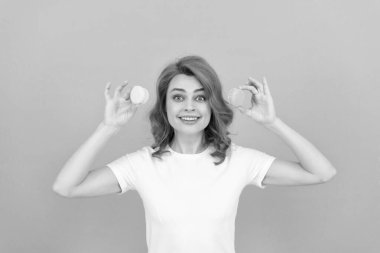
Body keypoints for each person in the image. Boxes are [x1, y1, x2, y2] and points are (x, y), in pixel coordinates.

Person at [52, 55, 337, 253]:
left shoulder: (238, 160)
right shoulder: (142, 164)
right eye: (178, 97)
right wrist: (107, 127)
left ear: (211, 105)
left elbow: (321, 173)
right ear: (164, 107)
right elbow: (66, 187)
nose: (190, 106)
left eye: (200, 97)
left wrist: (272, 122)